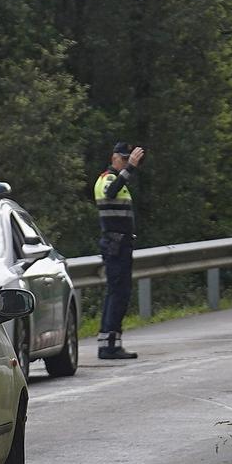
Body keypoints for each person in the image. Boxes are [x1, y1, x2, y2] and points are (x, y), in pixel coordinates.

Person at [94, 142, 146, 360]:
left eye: (129, 159)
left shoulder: (117, 179)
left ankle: (110, 342)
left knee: (118, 295)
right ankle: (109, 346)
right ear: (114, 157)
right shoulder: (108, 178)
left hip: (121, 245)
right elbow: (111, 191)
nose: (126, 162)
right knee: (118, 294)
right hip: (116, 245)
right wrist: (131, 167)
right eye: (124, 159)